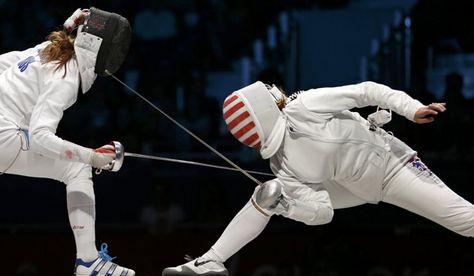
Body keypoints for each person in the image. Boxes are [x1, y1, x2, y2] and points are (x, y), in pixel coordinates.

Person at [162, 81, 474, 275]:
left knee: (465, 222)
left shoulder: (305, 107)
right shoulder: (281, 162)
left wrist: (412, 109)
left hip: (391, 167)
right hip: (349, 185)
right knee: (267, 194)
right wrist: (286, 205)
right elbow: (322, 212)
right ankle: (211, 260)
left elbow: (366, 91)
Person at [0, 7, 135, 276]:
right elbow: (39, 138)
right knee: (76, 168)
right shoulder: (66, 76)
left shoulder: (48, 50)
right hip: (4, 137)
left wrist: (70, 27)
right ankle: (88, 262)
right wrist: (92, 157)